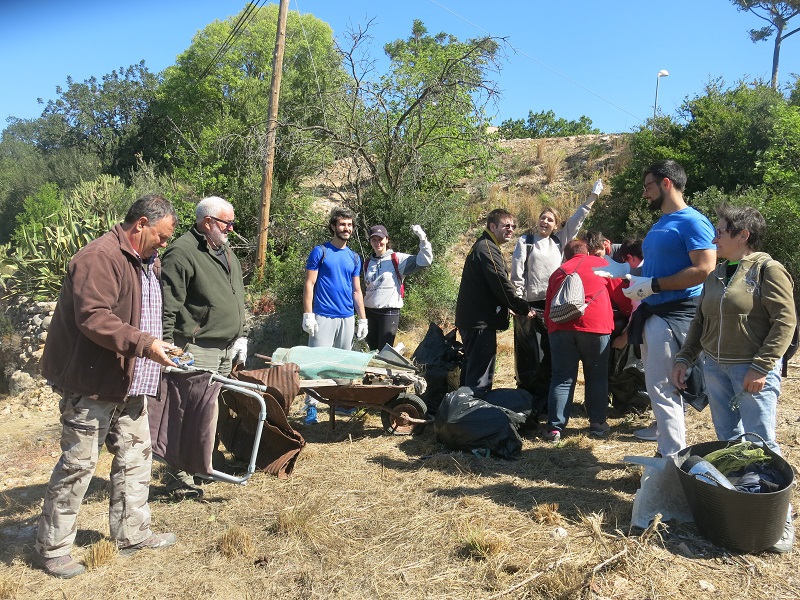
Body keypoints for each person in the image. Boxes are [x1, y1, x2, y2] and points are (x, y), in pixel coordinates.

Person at [34, 195, 179, 579]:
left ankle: (133, 535)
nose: (164, 244)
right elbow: (93, 318)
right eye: (162, 236)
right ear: (141, 223)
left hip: (130, 382)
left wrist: (156, 345)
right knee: (78, 465)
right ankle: (53, 549)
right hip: (92, 384)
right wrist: (145, 344)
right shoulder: (99, 257)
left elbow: (142, 313)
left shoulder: (148, 260)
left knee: (136, 459)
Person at [672, 205, 796, 553]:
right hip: (715, 368)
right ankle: (745, 504)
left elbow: (785, 322)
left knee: (762, 444)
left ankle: (780, 519)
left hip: (751, 370)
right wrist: (685, 358)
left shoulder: (768, 270)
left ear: (743, 235)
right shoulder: (716, 273)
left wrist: (762, 366)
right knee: (730, 442)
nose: (714, 238)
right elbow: (700, 322)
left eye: (721, 231)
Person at [594, 159, 716, 458]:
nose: (644, 193)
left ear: (666, 183)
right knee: (657, 386)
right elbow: (655, 268)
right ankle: (667, 452)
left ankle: (672, 460)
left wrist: (655, 285)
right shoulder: (660, 224)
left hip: (674, 314)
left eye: (648, 186)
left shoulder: (693, 221)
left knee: (663, 388)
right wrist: (627, 273)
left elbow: (705, 269)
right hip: (654, 312)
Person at [159, 195, 248, 497]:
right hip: (196, 347)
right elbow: (167, 306)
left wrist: (241, 335)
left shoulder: (225, 251)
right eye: (227, 223)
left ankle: (204, 463)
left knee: (213, 411)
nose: (231, 229)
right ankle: (178, 475)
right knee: (187, 413)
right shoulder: (182, 252)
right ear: (207, 222)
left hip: (224, 348)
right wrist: (167, 348)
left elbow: (236, 296)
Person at [510, 179, 604, 415]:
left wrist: (592, 197)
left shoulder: (559, 241)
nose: (545, 222)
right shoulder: (526, 241)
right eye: (543, 218)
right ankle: (531, 403)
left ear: (555, 225)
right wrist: (519, 303)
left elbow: (577, 220)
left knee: (552, 356)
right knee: (531, 357)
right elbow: (517, 273)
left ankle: (549, 404)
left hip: (554, 305)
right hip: (530, 307)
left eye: (550, 220)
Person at [542, 239, 614, 442]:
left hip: (561, 329)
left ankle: (555, 428)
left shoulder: (558, 272)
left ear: (565, 256)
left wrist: (552, 329)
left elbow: (548, 309)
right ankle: (597, 424)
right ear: (587, 252)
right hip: (596, 327)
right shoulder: (600, 264)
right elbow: (620, 294)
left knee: (562, 378)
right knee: (597, 377)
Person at [455, 208, 533, 393]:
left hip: (474, 320)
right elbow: (500, 282)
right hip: (479, 323)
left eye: (513, 226)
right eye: (506, 226)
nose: (511, 230)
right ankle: (474, 407)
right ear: (492, 226)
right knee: (480, 376)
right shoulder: (487, 248)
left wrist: (508, 306)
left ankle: (464, 405)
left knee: (473, 369)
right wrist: (522, 307)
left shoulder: (485, 245)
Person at [302, 206, 368, 349]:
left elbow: (356, 291)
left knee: (342, 361)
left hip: (347, 318)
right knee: (318, 360)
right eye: (342, 224)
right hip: (323, 317)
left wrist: (363, 319)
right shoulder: (320, 252)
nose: (346, 228)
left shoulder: (355, 257)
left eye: (349, 225)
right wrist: (308, 314)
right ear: (333, 226)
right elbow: (309, 284)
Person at [362, 223, 432, 350]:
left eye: (380, 239)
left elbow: (425, 260)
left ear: (387, 239)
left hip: (388, 313)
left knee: (384, 352)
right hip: (370, 312)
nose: (377, 243)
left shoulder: (397, 259)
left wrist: (423, 239)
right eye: (374, 239)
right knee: (371, 351)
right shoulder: (367, 263)